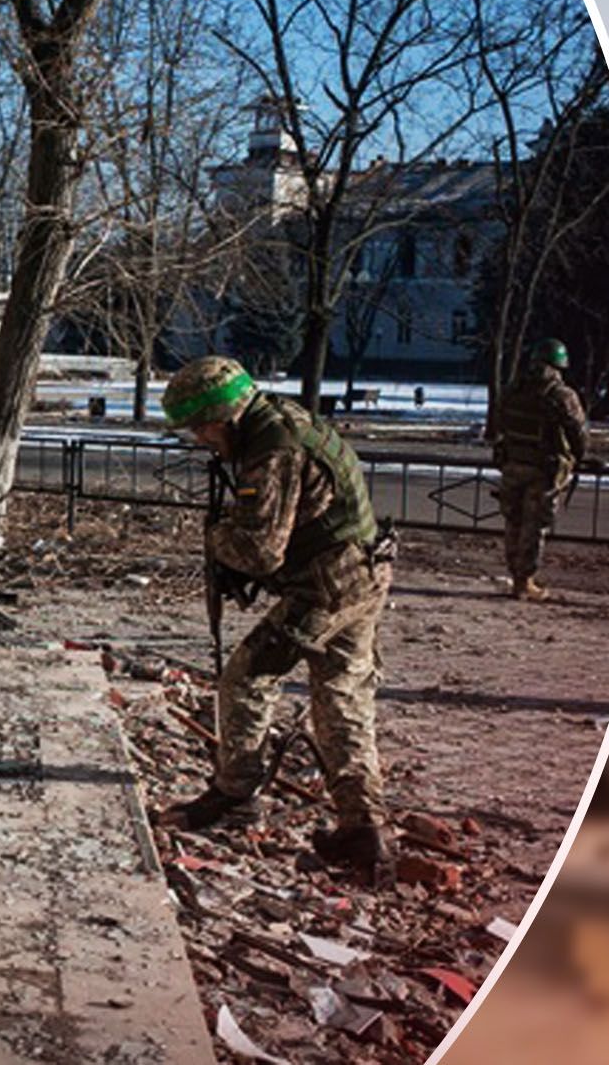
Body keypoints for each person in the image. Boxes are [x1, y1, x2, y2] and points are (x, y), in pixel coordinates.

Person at [155, 356, 393, 874]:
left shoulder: (271, 449)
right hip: (361, 574)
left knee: (245, 678)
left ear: (223, 418)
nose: (199, 440)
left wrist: (216, 537)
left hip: (325, 588)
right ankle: (363, 830)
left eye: (200, 429)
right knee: (342, 699)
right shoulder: (280, 419)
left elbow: (261, 551)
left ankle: (237, 794)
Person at [493, 338, 589, 600]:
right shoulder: (561, 395)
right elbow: (578, 431)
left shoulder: (514, 389)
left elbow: (498, 423)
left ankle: (516, 576)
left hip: (513, 464)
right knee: (534, 527)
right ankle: (525, 582)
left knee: (513, 521)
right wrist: (580, 456)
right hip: (543, 469)